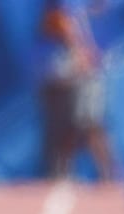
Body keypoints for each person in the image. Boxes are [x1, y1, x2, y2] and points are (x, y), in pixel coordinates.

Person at [38, 0, 116, 181]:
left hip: (90, 70)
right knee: (66, 126)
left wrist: (87, 53)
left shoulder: (99, 11)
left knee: (93, 124)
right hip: (64, 67)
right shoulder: (64, 6)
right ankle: (60, 173)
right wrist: (78, 48)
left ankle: (108, 174)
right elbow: (54, 21)